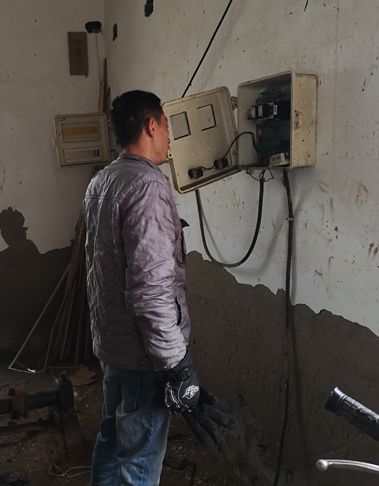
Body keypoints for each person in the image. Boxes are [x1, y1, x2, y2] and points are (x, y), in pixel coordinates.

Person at [84, 90, 238, 486]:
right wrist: (177, 366)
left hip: (112, 346)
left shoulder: (103, 180)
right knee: (138, 463)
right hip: (142, 357)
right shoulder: (147, 186)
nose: (170, 137)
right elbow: (150, 289)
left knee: (111, 439)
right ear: (152, 126)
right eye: (167, 126)